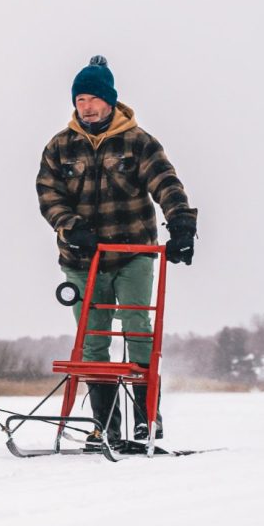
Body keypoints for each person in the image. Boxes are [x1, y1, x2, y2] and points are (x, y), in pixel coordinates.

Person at [36, 55, 198, 443]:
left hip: (132, 253)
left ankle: (146, 417)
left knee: (138, 328)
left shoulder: (138, 142)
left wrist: (180, 224)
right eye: (80, 101)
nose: (86, 107)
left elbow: (166, 182)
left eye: (92, 99)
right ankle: (105, 424)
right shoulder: (60, 147)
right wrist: (71, 227)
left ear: (109, 101)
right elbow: (48, 195)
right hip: (82, 258)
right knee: (92, 339)